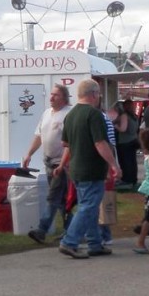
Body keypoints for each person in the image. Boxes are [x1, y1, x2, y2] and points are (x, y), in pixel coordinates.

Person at [55, 79, 121, 259]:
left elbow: (65, 144)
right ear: (93, 94)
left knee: (89, 207)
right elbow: (100, 142)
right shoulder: (94, 115)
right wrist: (113, 165)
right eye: (98, 93)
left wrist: (63, 165)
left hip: (76, 168)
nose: (99, 97)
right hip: (91, 169)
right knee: (88, 207)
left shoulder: (71, 114)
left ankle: (95, 243)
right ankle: (69, 241)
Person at [23, 84, 72, 245]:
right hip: (49, 162)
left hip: (62, 164)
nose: (51, 98)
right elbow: (39, 136)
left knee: (53, 197)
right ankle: (71, 231)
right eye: (51, 95)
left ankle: (41, 230)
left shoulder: (68, 114)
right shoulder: (46, 114)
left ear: (64, 98)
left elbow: (69, 143)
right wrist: (29, 153)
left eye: (56, 95)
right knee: (62, 201)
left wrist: (63, 164)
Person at [110, 99, 139, 190]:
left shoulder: (124, 115)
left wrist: (114, 126)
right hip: (133, 140)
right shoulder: (135, 116)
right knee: (132, 162)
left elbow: (123, 129)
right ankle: (133, 179)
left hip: (124, 142)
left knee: (125, 162)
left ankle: (126, 180)